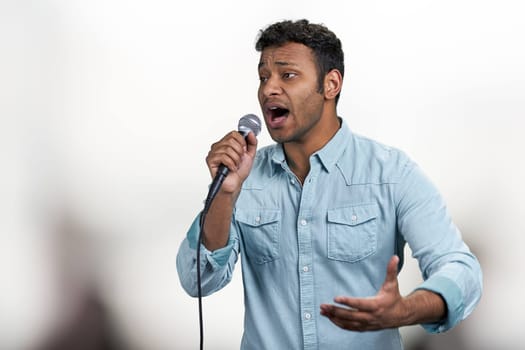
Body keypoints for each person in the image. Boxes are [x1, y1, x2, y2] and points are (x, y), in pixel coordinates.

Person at [176, 19, 482, 349]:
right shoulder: (244, 178)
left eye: (287, 75)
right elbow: (198, 280)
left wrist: (404, 311)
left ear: (331, 84)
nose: (268, 89)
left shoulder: (392, 173)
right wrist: (224, 194)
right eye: (263, 77)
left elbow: (461, 271)